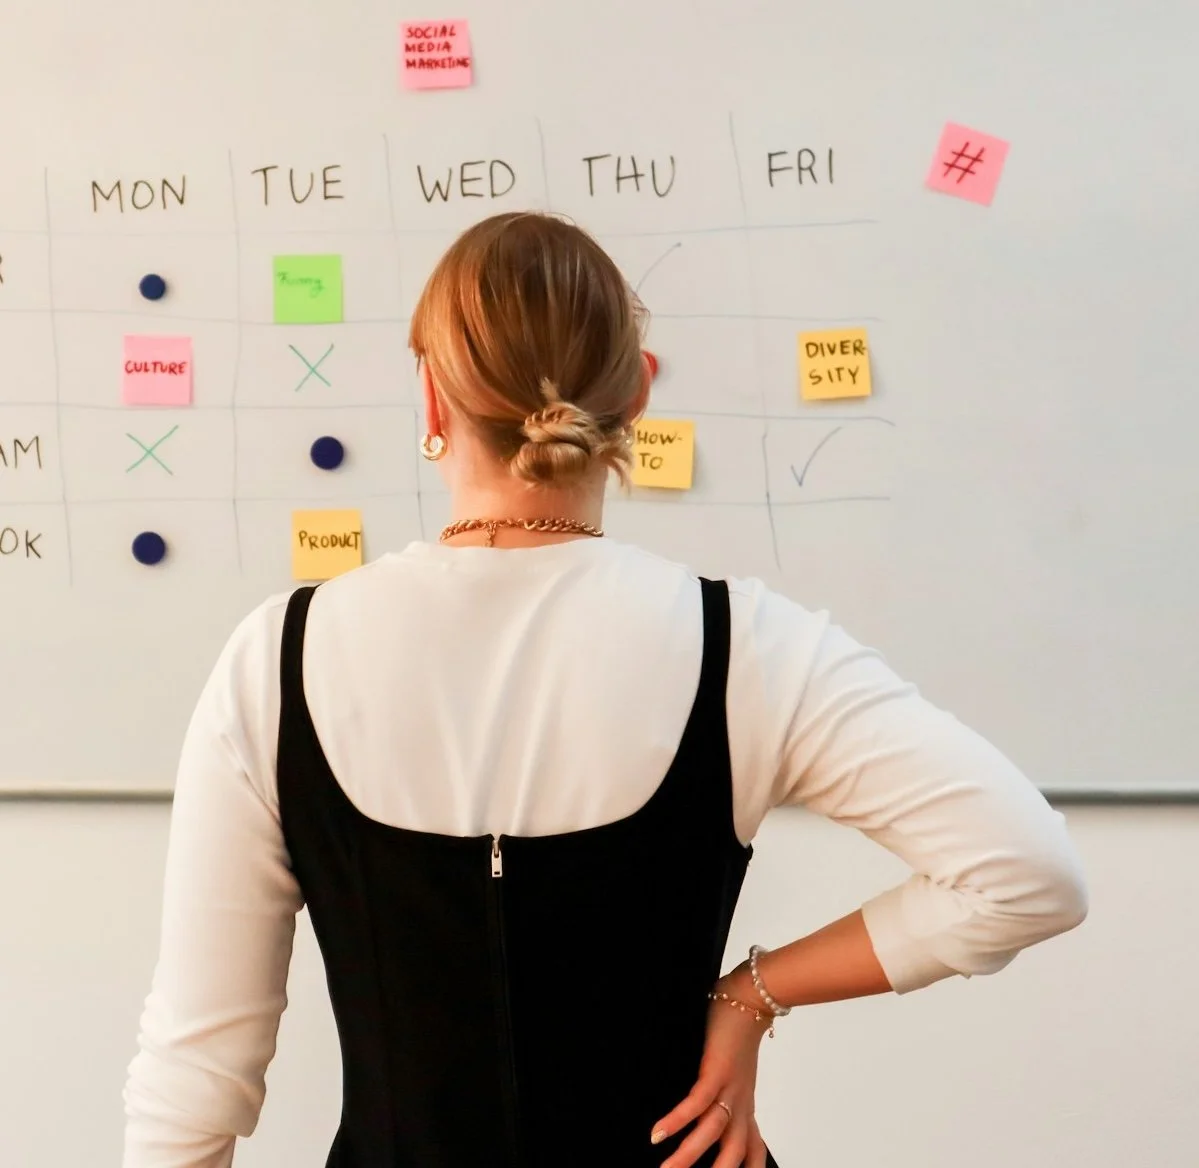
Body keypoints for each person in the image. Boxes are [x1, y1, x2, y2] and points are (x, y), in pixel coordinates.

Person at [122, 211, 1088, 1168]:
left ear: (430, 402)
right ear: (634, 392)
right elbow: (1025, 872)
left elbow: (196, 1071)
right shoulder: (746, 646)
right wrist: (749, 993)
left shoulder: (275, 660)